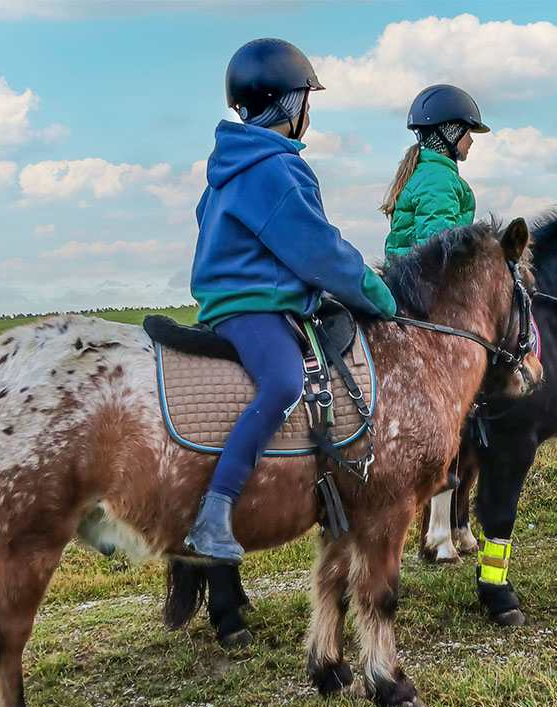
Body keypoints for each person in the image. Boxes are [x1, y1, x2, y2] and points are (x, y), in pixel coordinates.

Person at [186, 38, 397, 564]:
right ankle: (216, 511)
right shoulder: (274, 168)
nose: (309, 110)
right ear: (289, 104)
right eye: (307, 98)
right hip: (252, 310)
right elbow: (319, 251)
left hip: (238, 303)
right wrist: (378, 295)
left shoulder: (228, 170)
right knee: (284, 379)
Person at [382, 84, 490, 262]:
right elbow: (438, 251)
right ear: (450, 132)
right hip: (424, 287)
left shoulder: (425, 171)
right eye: (468, 132)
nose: (471, 141)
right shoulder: (438, 179)